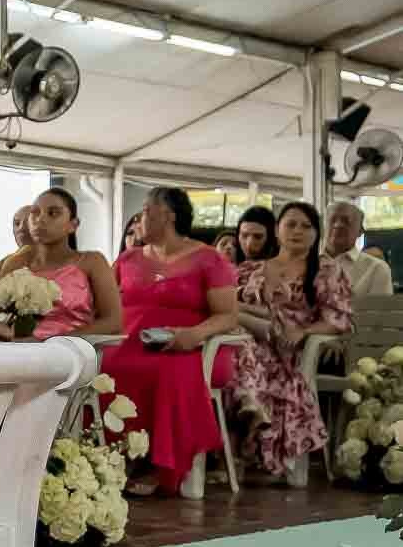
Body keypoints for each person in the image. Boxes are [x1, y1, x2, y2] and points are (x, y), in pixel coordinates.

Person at [101, 186, 241, 498]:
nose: (138, 222)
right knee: (101, 370)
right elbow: (105, 304)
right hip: (130, 342)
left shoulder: (209, 259)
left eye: (145, 213)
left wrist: (193, 335)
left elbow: (228, 316)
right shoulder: (128, 258)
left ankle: (155, 462)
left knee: (164, 374)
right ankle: (112, 455)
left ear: (169, 216)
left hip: (193, 346)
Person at [230, 201, 350, 484]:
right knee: (233, 342)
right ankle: (245, 416)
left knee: (239, 344)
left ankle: (250, 423)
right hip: (247, 340)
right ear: (277, 229)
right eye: (290, 224)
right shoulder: (249, 269)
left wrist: (304, 332)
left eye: (306, 226)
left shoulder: (326, 270)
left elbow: (338, 320)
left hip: (290, 350)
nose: (297, 231)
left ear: (316, 233)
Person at [0, 186, 121, 341]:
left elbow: (113, 321)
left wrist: (56, 343)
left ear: (73, 224)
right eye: (35, 213)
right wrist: (8, 332)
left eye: (53, 213)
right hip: (21, 354)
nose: (40, 219)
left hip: (73, 357)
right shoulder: (17, 264)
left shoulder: (92, 262)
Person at [323, 199, 392, 302]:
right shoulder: (301, 263)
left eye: (346, 221)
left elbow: (377, 316)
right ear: (323, 226)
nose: (338, 225)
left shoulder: (377, 269)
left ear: (360, 231)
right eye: (332, 220)